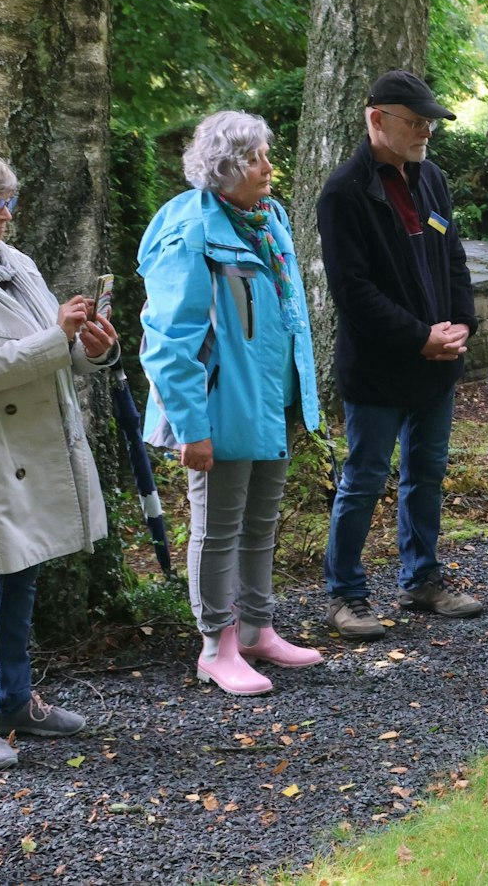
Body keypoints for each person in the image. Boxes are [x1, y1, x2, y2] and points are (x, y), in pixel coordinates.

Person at [140, 112, 324, 695]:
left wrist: (301, 397)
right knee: (216, 527)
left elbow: (288, 314)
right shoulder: (190, 229)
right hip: (219, 408)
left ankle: (257, 629)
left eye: (266, 154)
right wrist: (192, 428)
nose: (269, 167)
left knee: (260, 521)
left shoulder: (268, 219)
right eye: (255, 159)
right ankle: (215, 646)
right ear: (222, 169)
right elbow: (169, 341)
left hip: (268, 401)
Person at [315, 70, 484, 640]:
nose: (426, 133)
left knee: (426, 474)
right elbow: (354, 292)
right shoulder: (344, 192)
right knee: (363, 478)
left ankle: (423, 580)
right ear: (376, 119)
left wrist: (462, 323)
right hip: (381, 368)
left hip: (437, 365)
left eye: (430, 123)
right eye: (415, 122)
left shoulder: (431, 179)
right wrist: (419, 337)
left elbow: (453, 260)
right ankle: (346, 595)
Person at [0, 148, 112, 770]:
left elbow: (55, 347)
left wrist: (92, 346)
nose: (6, 216)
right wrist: (57, 339)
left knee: (24, 575)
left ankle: (15, 700)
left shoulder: (15, 263)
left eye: (11, 203)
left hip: (34, 448)